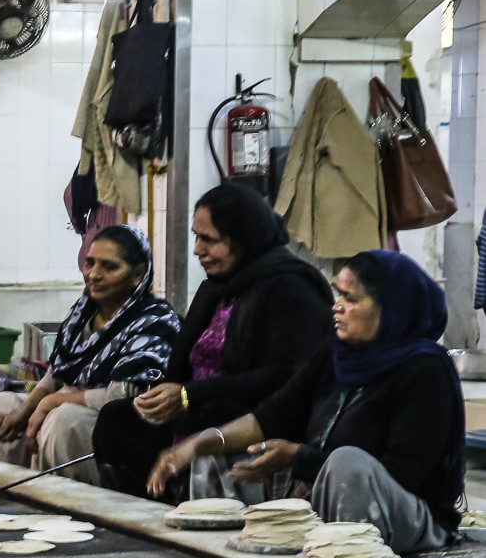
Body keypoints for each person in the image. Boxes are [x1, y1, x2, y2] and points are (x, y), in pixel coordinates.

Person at [147, 250, 463, 554]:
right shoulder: (337, 353)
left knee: (347, 464)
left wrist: (300, 458)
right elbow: (273, 414)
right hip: (323, 493)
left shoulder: (425, 370)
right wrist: (199, 444)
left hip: (409, 515)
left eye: (350, 299)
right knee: (214, 455)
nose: (336, 307)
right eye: (338, 295)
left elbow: (403, 473)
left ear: (393, 308)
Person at [92, 183, 333, 500]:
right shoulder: (217, 288)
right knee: (119, 420)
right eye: (195, 236)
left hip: (249, 419)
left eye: (209, 239)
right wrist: (166, 396)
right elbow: (183, 362)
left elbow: (288, 376)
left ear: (243, 239)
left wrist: (191, 395)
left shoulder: (291, 289)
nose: (196, 249)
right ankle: (147, 516)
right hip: (199, 407)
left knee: (211, 417)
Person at [0, 225, 179, 486]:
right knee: (0, 406)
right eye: (90, 263)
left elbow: (125, 394)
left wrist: (51, 402)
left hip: (123, 424)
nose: (94, 274)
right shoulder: (83, 313)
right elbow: (59, 371)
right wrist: (25, 409)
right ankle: (23, 493)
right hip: (72, 406)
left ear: (138, 275)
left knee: (63, 420)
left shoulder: (154, 320)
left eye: (109, 267)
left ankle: (59, 503)